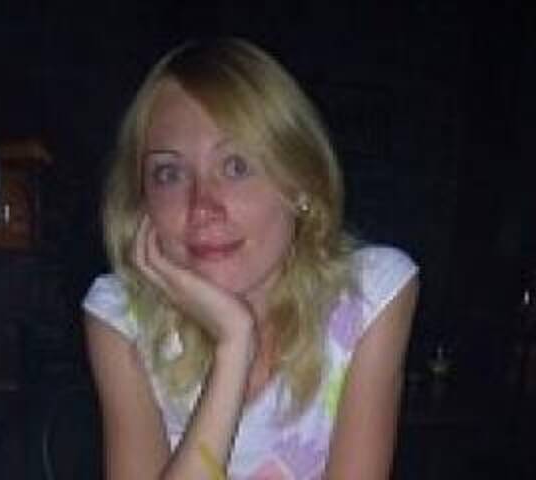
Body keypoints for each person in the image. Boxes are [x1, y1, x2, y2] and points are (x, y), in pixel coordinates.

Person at [82, 37, 419, 480]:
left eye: (236, 166)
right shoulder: (121, 316)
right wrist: (234, 346)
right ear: (143, 203)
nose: (202, 206)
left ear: (300, 184)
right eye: (170, 173)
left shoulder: (369, 296)